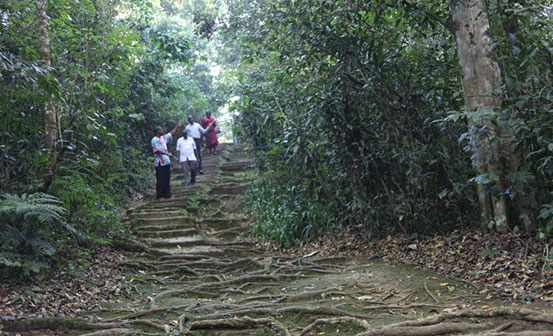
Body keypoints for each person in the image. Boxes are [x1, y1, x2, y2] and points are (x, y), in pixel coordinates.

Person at [151, 121, 183, 200]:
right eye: (161, 130)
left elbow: (170, 133)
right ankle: (160, 196)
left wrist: (177, 126)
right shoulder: (154, 140)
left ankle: (167, 195)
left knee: (167, 178)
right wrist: (167, 154)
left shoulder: (163, 138)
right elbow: (156, 150)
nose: (162, 131)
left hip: (166, 162)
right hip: (159, 163)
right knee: (160, 179)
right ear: (157, 131)